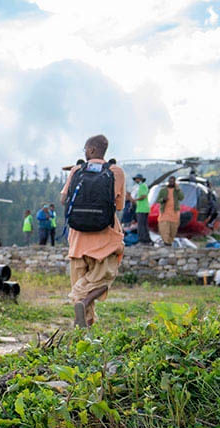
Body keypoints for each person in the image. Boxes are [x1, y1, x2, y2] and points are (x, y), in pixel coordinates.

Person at [61, 134, 125, 328]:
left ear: (90, 150)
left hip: (78, 241)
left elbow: (64, 199)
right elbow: (119, 206)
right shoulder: (116, 172)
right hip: (105, 240)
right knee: (104, 279)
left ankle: (84, 329)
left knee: (79, 280)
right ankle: (84, 301)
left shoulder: (77, 170)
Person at [156, 176, 184, 245]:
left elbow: (181, 198)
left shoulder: (177, 190)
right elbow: (157, 200)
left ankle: (169, 242)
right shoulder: (163, 190)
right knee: (164, 228)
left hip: (175, 213)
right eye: (170, 181)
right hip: (164, 212)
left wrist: (178, 190)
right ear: (168, 181)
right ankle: (166, 242)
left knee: (173, 230)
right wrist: (163, 200)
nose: (171, 182)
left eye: (173, 181)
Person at [131, 173, 150, 244]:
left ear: (141, 180)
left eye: (137, 179)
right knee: (144, 225)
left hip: (142, 208)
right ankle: (146, 239)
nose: (136, 180)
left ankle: (142, 240)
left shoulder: (142, 186)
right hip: (141, 208)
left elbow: (143, 196)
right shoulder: (140, 186)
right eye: (136, 179)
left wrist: (135, 200)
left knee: (141, 225)